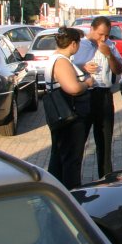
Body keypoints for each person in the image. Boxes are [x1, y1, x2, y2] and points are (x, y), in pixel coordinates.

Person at [72, 15, 122, 178]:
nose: (103, 38)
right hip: (84, 95)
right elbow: (68, 67)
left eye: (107, 35)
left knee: (105, 142)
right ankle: (74, 182)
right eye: (100, 34)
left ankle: (106, 179)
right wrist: (83, 66)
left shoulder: (110, 45)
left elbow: (118, 69)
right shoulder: (80, 46)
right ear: (92, 29)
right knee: (78, 143)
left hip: (104, 96)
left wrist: (109, 54)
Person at [45, 26, 95, 189]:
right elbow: (72, 88)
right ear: (73, 43)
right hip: (70, 116)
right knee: (71, 157)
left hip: (62, 115)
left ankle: (57, 189)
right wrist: (86, 83)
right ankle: (72, 192)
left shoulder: (56, 58)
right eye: (78, 43)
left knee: (60, 155)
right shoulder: (61, 61)